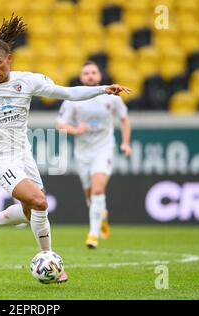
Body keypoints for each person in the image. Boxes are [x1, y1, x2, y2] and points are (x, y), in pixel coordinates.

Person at [0, 15, 131, 282]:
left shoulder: (27, 81)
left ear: (9, 60)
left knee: (31, 210)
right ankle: (52, 261)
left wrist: (104, 89)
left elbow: (67, 93)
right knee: (40, 202)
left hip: (23, 155)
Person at [56, 61, 132, 249]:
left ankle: (93, 234)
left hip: (104, 148)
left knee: (98, 190)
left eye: (93, 72)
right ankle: (101, 215)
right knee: (90, 195)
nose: (90, 75)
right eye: (86, 73)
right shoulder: (73, 99)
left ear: (99, 76)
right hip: (83, 153)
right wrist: (75, 130)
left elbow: (124, 119)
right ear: (81, 77)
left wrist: (125, 142)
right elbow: (60, 125)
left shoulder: (112, 98)